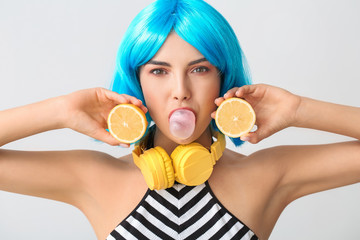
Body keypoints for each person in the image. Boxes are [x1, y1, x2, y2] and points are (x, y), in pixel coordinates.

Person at [0, 0, 359, 239]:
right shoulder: (95, 177)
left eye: (200, 69)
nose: (180, 91)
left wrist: (298, 110)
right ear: (136, 83)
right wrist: (60, 110)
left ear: (223, 77)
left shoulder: (267, 175)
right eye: (159, 71)